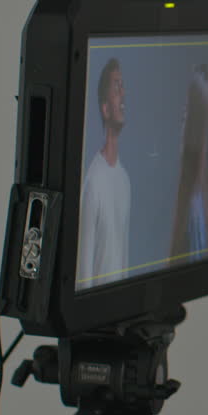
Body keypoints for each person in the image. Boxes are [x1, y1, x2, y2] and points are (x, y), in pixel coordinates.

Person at [77, 57, 131, 288]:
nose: (124, 93)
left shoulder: (125, 180)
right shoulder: (93, 181)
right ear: (105, 108)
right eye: (117, 86)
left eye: (123, 85)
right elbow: (83, 270)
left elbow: (124, 260)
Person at [170, 63, 208, 262]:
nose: (183, 129)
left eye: (188, 117)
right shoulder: (185, 201)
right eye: (183, 118)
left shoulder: (206, 204)